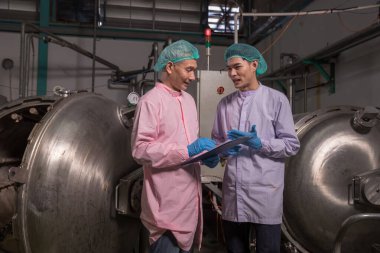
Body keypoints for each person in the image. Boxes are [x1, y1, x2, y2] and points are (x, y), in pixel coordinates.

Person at [131, 39, 220, 253]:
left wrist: (206, 155)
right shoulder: (150, 101)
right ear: (170, 67)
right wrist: (187, 151)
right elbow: (140, 150)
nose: (193, 76)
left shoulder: (189, 101)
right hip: (165, 210)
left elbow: (188, 145)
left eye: (194, 70)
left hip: (189, 207)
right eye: (189, 70)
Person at [211, 43, 300, 253]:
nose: (232, 73)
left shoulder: (276, 100)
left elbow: (291, 145)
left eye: (237, 67)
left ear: (254, 65)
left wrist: (260, 143)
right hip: (234, 194)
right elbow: (217, 142)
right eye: (229, 69)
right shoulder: (224, 104)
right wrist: (220, 150)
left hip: (265, 193)